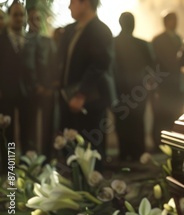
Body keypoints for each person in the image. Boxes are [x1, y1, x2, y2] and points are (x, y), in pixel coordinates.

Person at [58, 0, 116, 164]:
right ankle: (74, 185)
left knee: (91, 149)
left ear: (85, 4)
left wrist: (81, 94)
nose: (69, 6)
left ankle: (90, 186)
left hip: (89, 100)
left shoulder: (100, 30)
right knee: (71, 148)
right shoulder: (72, 29)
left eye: (72, 2)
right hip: (68, 97)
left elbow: (99, 65)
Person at [113, 12, 154, 162]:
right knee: (137, 122)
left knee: (122, 122)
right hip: (139, 91)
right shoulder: (143, 44)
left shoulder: (113, 43)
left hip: (119, 90)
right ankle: (138, 153)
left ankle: (124, 152)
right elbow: (152, 67)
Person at [0, 1, 38, 154]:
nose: (19, 18)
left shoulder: (32, 40)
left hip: (28, 93)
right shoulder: (1, 40)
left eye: (22, 15)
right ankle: (8, 170)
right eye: (15, 15)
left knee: (28, 132)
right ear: (9, 17)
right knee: (7, 133)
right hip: (5, 93)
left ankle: (27, 168)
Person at [27, 6, 58, 158]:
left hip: (48, 90)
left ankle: (46, 157)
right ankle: (30, 158)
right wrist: (35, 85)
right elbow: (27, 66)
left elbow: (54, 64)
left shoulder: (48, 41)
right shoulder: (24, 40)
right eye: (32, 19)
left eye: (38, 19)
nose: (35, 22)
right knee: (30, 127)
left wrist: (51, 86)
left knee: (48, 125)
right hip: (30, 91)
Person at [151, 11, 184, 148]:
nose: (176, 23)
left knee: (175, 114)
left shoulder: (178, 38)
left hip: (176, 84)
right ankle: (159, 142)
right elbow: (154, 62)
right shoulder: (158, 40)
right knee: (161, 115)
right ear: (166, 22)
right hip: (163, 84)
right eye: (173, 20)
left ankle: (173, 141)